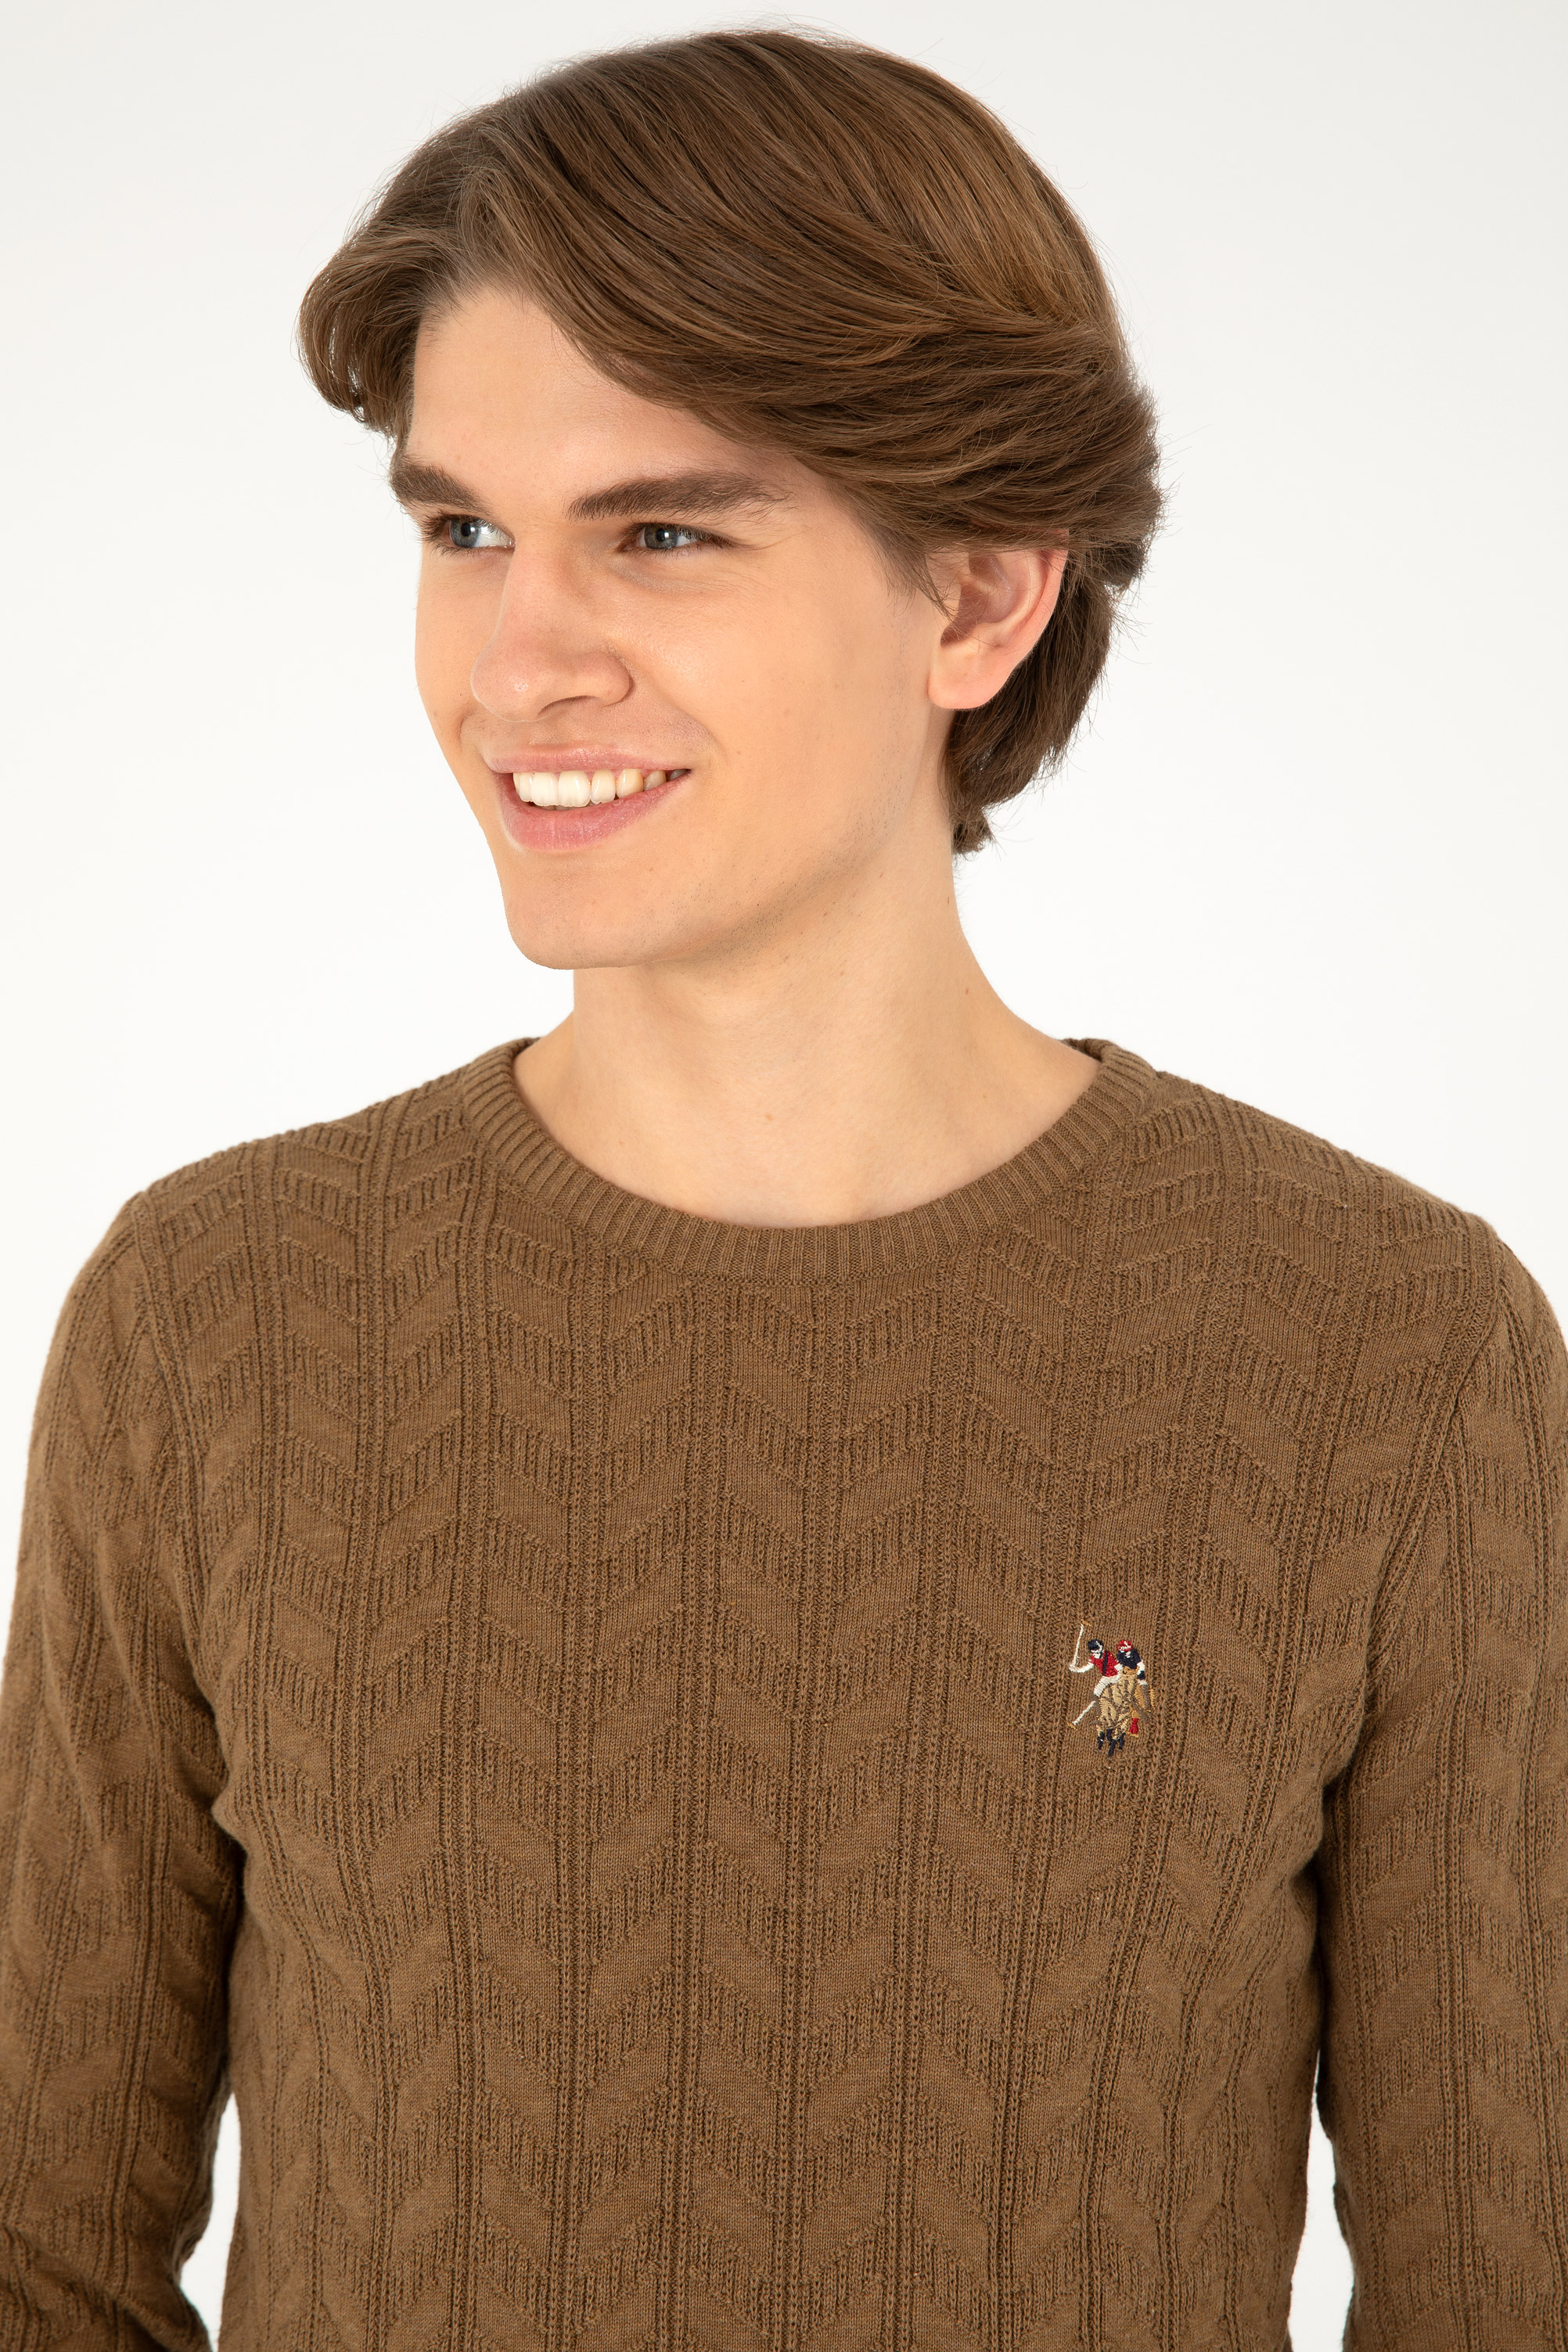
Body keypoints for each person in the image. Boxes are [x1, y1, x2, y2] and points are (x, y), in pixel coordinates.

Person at [1, 26, 1563, 2350]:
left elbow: (1507, 2288)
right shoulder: (217, 1322)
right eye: (462, 532)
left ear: (980, 601)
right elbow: (38, 2256)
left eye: (661, 533)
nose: (517, 664)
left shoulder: (1387, 1354)